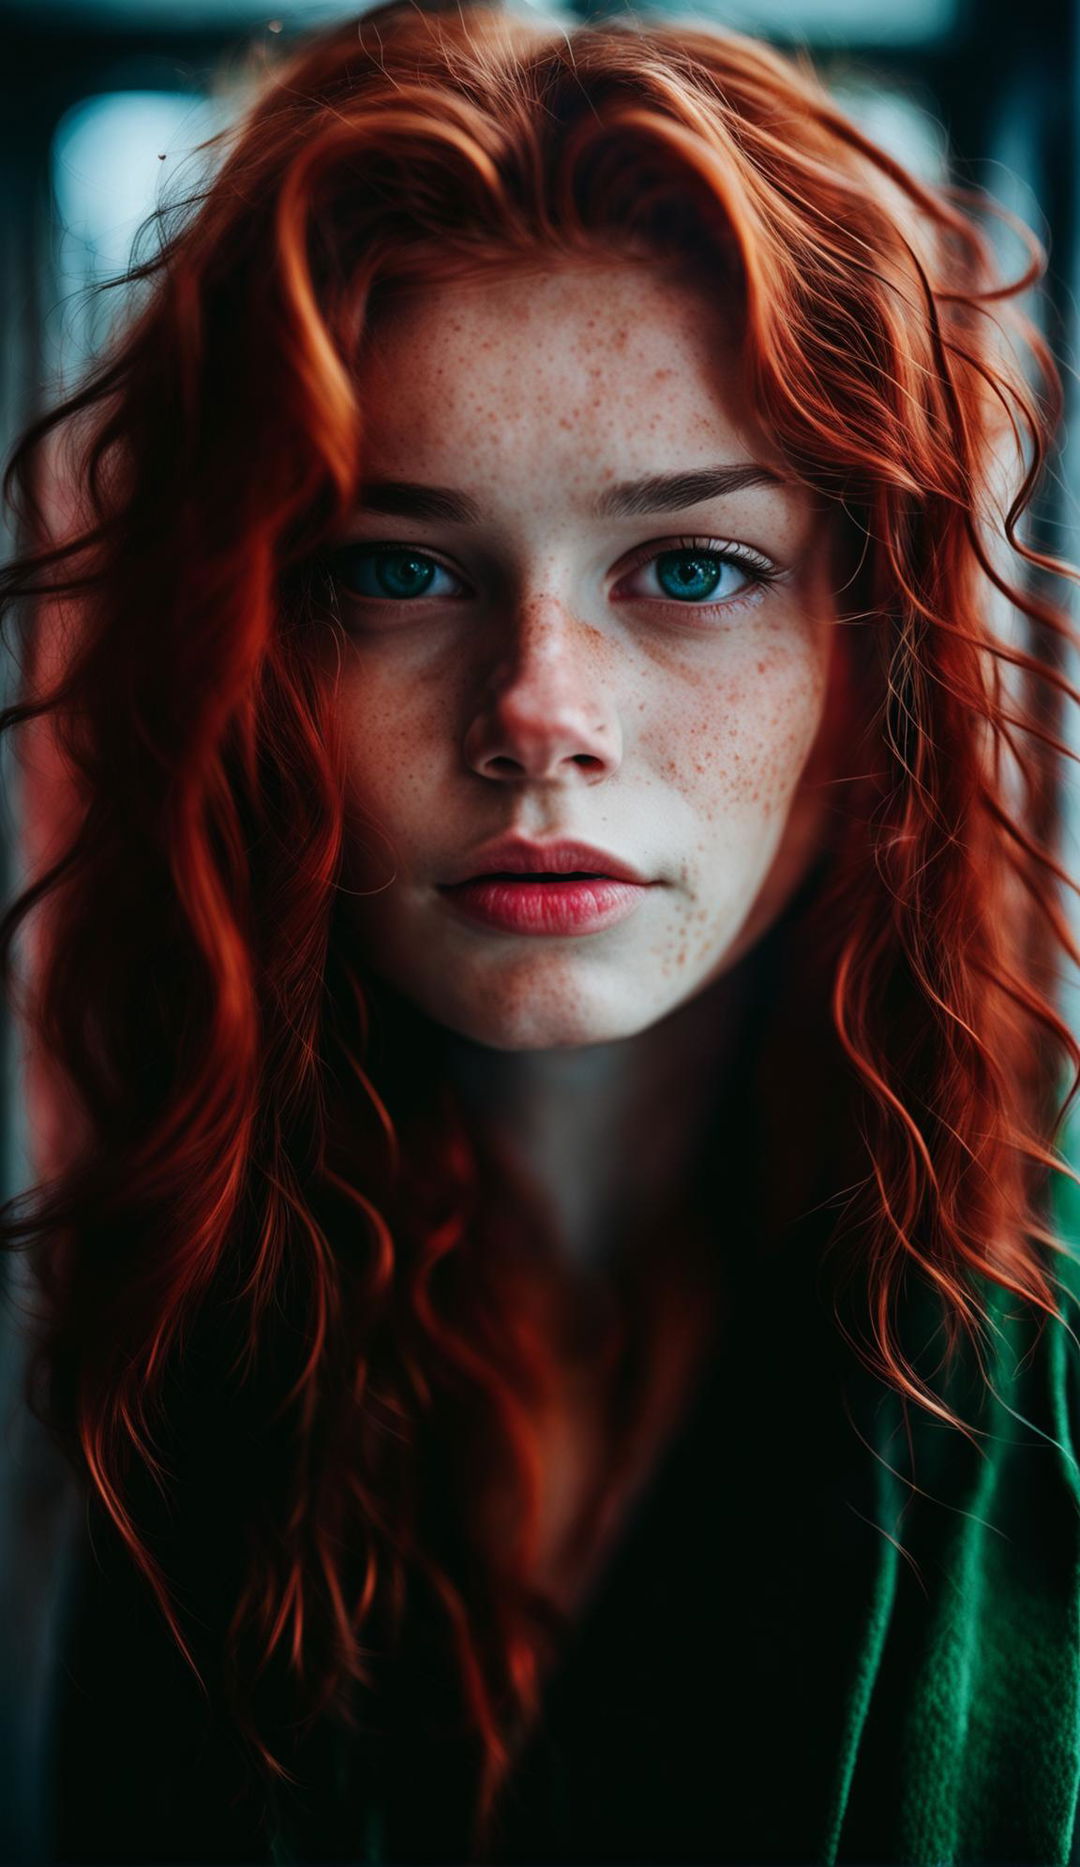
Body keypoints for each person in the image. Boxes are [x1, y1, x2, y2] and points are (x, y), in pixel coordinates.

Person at [2, 0, 1080, 1860]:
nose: (537, 707)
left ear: (870, 652)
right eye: (399, 571)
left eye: (691, 567)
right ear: (256, 659)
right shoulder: (150, 1348)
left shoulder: (1052, 1355)